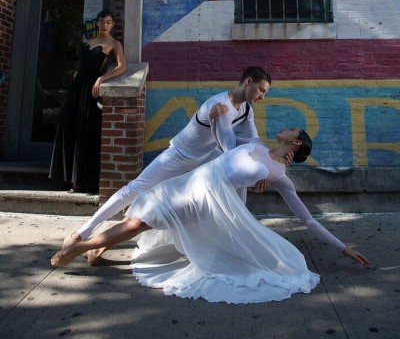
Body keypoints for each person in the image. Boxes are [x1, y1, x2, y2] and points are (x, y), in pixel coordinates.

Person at [51, 128, 369, 304]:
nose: (284, 127)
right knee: (142, 214)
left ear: (295, 142)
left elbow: (308, 219)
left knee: (139, 223)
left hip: (202, 199)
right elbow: (223, 138)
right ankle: (95, 250)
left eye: (291, 129)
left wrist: (343, 247)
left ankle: (78, 248)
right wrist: (215, 115)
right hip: (188, 182)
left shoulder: (278, 176)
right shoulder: (257, 145)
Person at [59, 66, 271, 252]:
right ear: (248, 81)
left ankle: (238, 233)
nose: (262, 96)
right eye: (261, 89)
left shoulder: (245, 110)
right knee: (134, 189)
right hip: (179, 155)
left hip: (205, 155)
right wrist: (258, 167)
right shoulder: (218, 105)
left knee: (235, 182)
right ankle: (82, 232)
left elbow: (253, 142)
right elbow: (230, 148)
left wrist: (268, 164)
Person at [49, 10, 127, 193]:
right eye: (102, 21)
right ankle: (66, 175)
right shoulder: (89, 41)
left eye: (108, 22)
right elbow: (81, 65)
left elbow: (122, 67)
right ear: (97, 23)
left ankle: (79, 182)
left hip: (91, 88)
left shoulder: (114, 44)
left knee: (84, 131)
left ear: (112, 24)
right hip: (76, 87)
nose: (105, 25)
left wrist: (102, 79)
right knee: (67, 124)